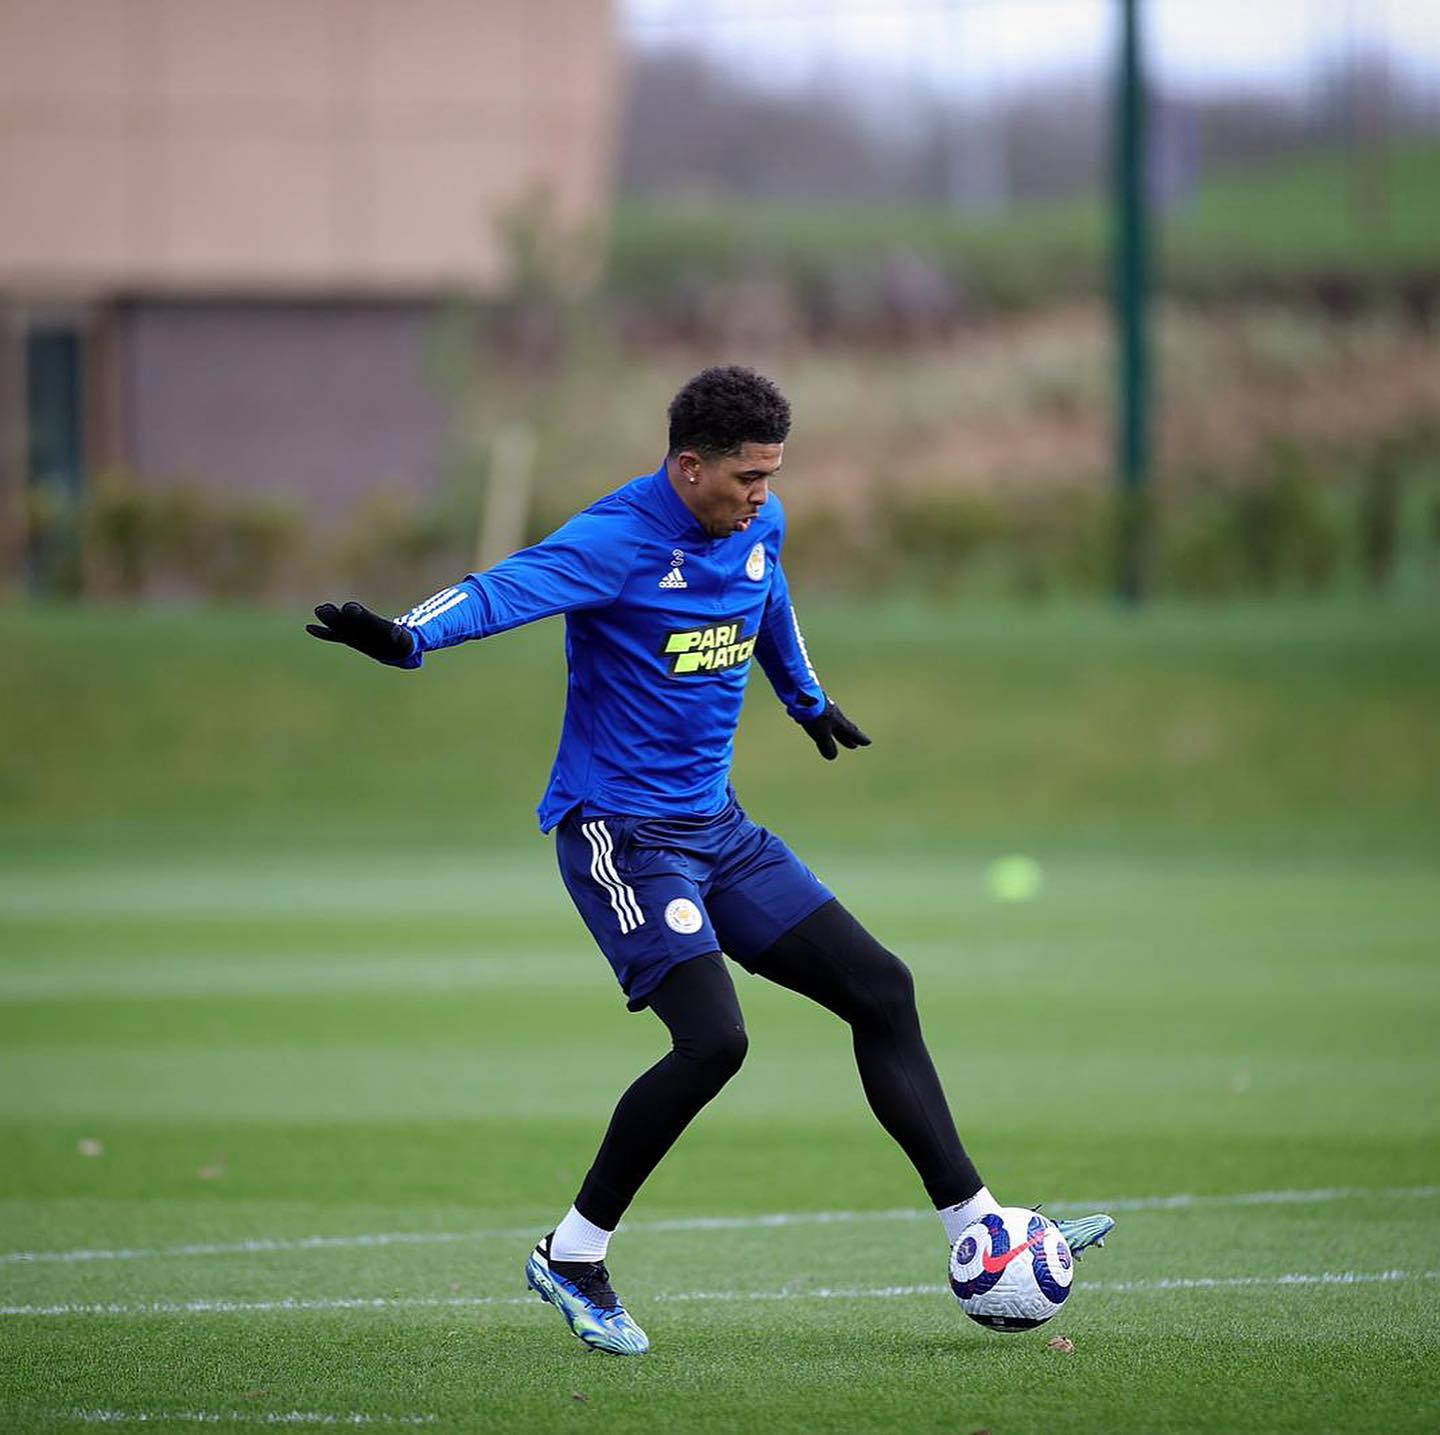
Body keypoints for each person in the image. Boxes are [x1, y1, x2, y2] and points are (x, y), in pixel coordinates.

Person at [307, 365, 1114, 1356]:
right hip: (621, 836)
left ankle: (978, 1227)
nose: (762, 497)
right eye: (746, 478)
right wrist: (407, 638)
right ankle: (572, 1254)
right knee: (714, 1041)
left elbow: (770, 601)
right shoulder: (615, 541)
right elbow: (499, 590)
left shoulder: (753, 527)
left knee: (881, 989)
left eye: (772, 476)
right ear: (689, 467)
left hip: (720, 831)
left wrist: (807, 699)